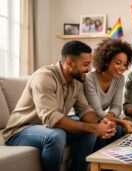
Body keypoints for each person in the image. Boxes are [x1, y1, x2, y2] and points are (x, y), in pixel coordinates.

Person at [2, 40, 116, 171]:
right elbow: (51, 117)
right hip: (20, 130)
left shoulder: (77, 80)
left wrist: (100, 122)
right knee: (56, 135)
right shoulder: (44, 77)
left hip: (46, 127)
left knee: (89, 132)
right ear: (69, 63)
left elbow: (84, 109)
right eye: (86, 64)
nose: (90, 69)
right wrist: (93, 127)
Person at [84, 39, 132, 150]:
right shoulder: (90, 78)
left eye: (124, 64)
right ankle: (97, 163)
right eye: (118, 63)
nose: (122, 68)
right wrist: (122, 122)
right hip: (87, 117)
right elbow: (96, 111)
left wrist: (111, 118)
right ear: (106, 61)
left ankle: (109, 164)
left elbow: (117, 107)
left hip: (101, 117)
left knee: (116, 128)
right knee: (108, 128)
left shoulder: (120, 79)